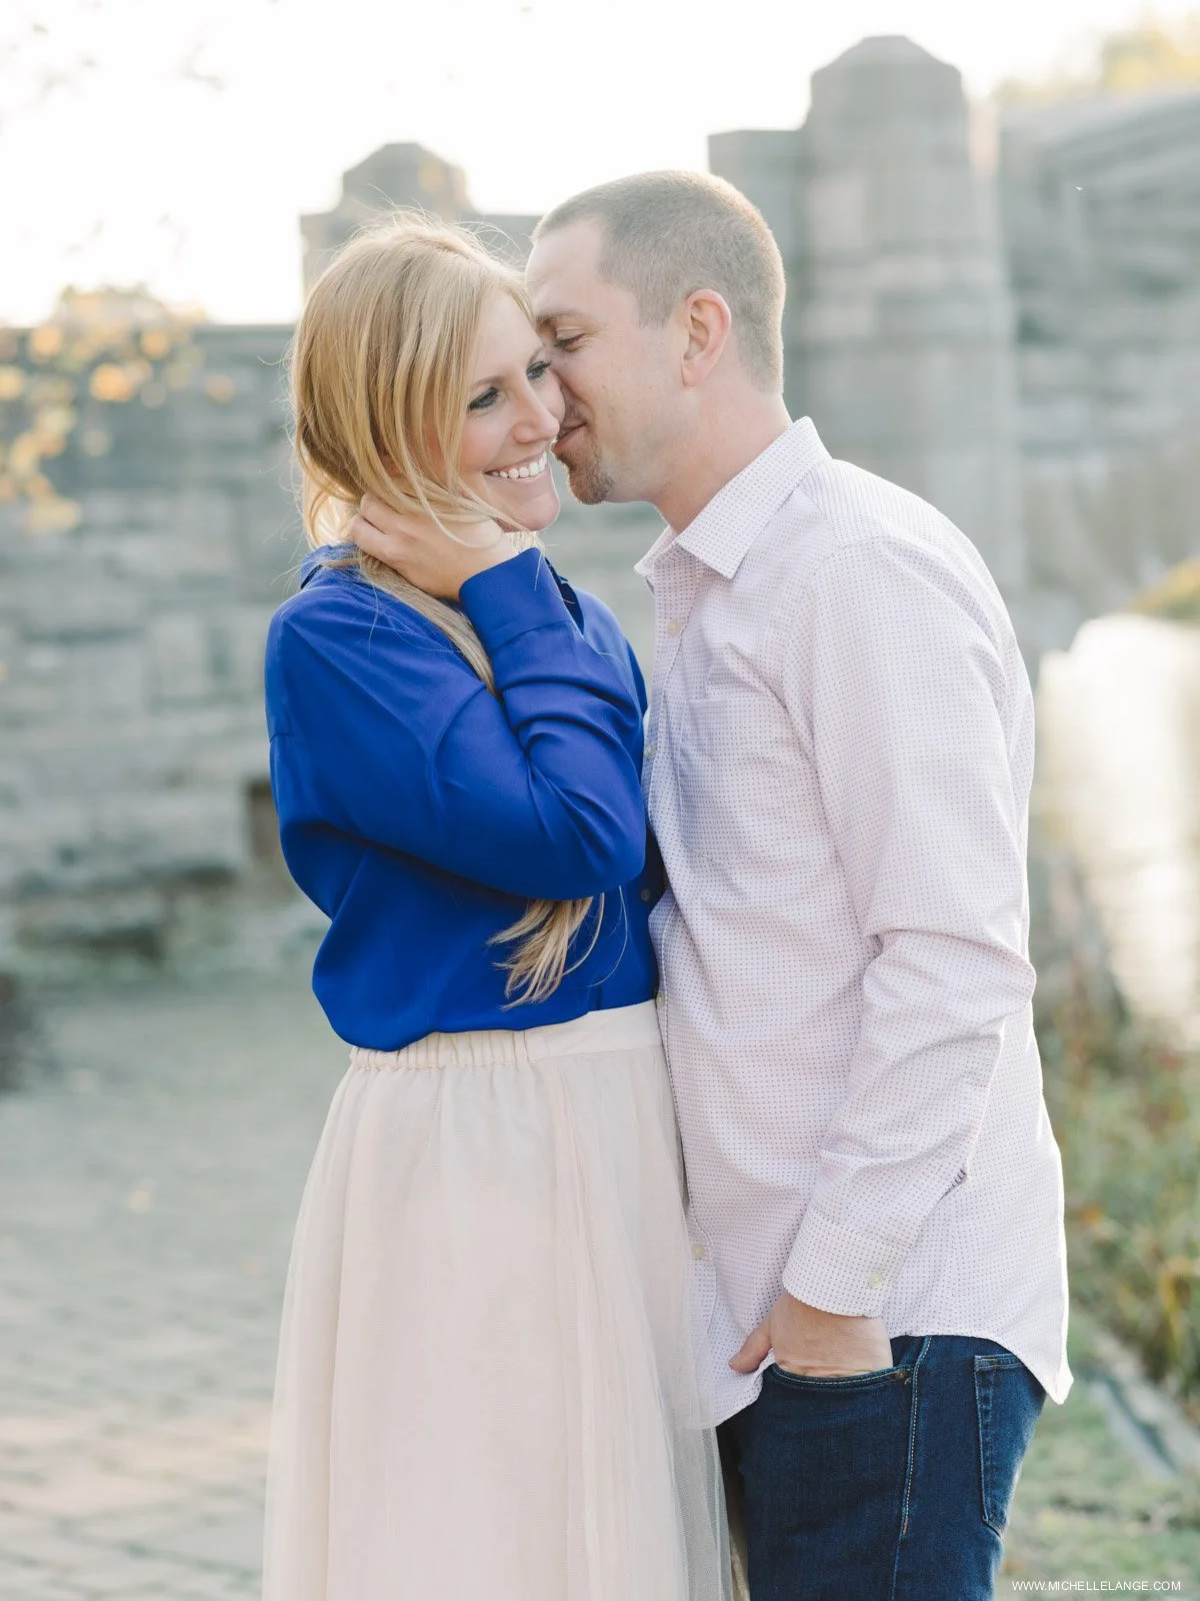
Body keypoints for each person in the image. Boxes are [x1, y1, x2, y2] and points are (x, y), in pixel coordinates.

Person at [355, 170, 1072, 1601]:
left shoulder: (855, 570)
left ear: (698, 329)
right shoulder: (706, 590)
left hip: (883, 1321)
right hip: (773, 1320)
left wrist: (829, 1291)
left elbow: (954, 958)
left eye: (564, 343)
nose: (542, 396)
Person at [261, 216, 730, 1601]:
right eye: (482, 396)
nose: (540, 419)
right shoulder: (343, 636)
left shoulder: (556, 612)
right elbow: (578, 838)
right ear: (386, 423)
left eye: (536, 368)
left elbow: (657, 881)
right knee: (488, 1536)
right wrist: (510, 586)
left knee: (621, 1534)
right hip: (477, 1138)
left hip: (618, 1119)